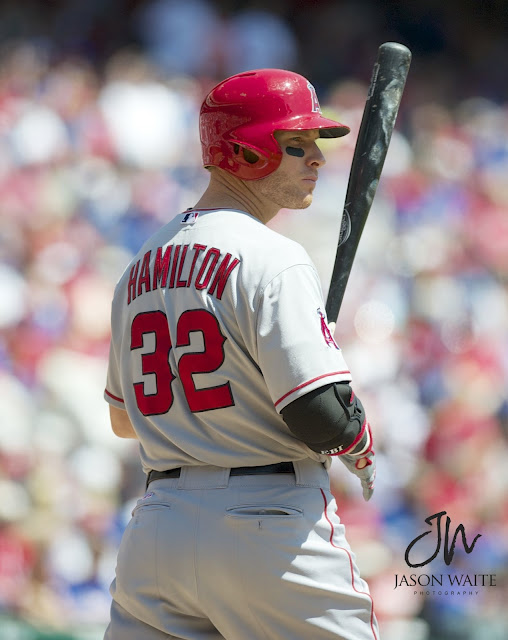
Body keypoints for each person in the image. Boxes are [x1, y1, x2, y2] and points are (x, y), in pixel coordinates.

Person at [103, 68, 378, 640]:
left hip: (158, 533)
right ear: (246, 152)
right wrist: (356, 438)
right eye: (296, 145)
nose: (317, 161)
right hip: (270, 528)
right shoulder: (274, 257)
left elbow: (123, 418)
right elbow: (317, 414)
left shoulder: (139, 267)